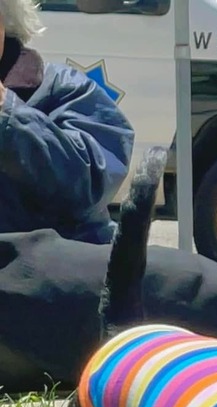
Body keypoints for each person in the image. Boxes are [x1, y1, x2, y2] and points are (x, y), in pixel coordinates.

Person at [0, 0, 134, 243]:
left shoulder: (62, 88)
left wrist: (7, 114)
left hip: (51, 273)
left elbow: (93, 185)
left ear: (4, 22)